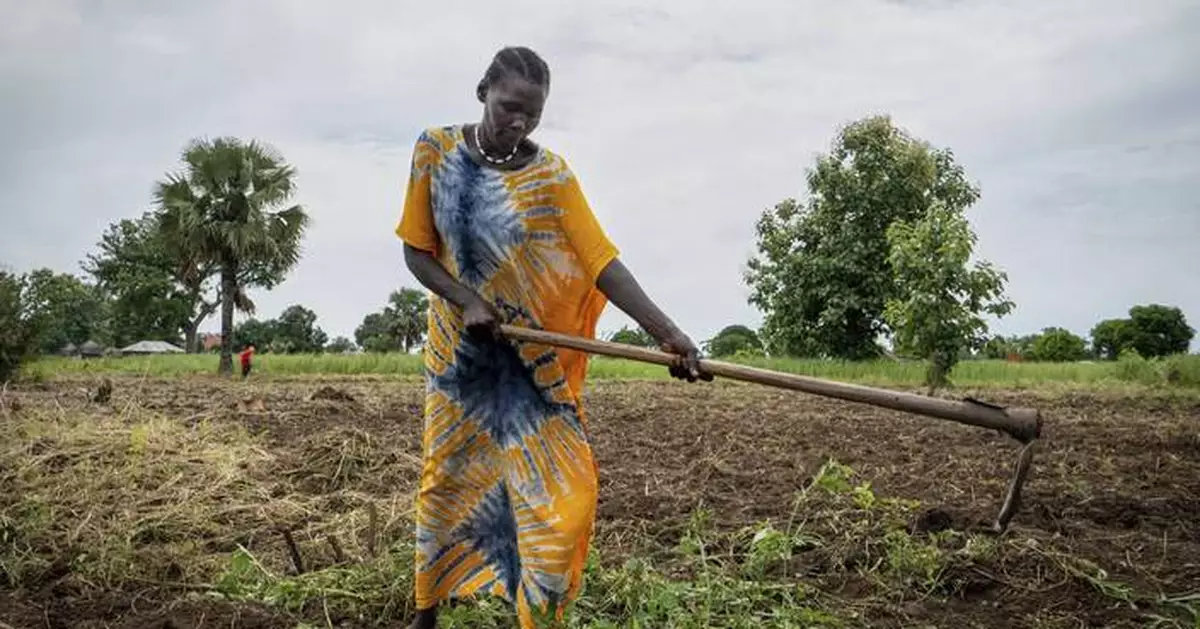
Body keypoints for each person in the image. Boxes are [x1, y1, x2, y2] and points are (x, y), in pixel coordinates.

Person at [396, 46, 711, 629]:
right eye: (509, 107)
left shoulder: (553, 176)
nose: (518, 123)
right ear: (481, 91)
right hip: (460, 361)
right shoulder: (433, 151)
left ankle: (534, 616)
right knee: (448, 480)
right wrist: (467, 300)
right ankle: (425, 611)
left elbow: (601, 261)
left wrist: (669, 334)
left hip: (530, 364)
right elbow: (416, 250)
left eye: (532, 114)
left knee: (562, 502)